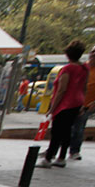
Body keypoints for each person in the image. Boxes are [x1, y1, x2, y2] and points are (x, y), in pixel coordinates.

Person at [38, 40, 88, 169]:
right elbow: (84, 87)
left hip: (65, 104)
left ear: (68, 54)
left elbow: (62, 89)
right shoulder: (84, 68)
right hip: (77, 102)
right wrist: (83, 104)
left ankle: (48, 158)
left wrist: (52, 109)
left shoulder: (68, 69)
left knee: (57, 132)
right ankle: (61, 157)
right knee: (67, 131)